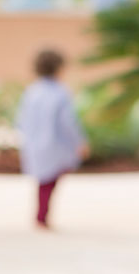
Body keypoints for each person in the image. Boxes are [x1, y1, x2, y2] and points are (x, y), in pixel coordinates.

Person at [15, 48, 89, 229]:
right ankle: (42, 217)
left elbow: (21, 120)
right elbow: (68, 122)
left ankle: (41, 215)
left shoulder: (32, 91)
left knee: (44, 181)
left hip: (36, 144)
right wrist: (79, 141)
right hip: (55, 145)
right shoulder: (60, 92)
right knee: (48, 182)